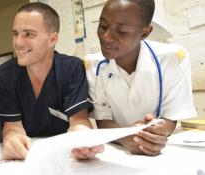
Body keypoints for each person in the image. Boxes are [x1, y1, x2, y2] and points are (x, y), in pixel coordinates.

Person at [84, 0, 197, 156]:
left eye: (122, 31)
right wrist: (126, 137)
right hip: (117, 150)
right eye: (103, 26)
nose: (106, 37)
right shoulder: (92, 65)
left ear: (145, 33)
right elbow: (102, 120)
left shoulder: (174, 58)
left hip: (163, 151)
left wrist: (156, 132)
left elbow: (171, 118)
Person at [0, 2, 104, 160]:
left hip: (64, 155)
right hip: (28, 157)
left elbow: (79, 121)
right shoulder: (3, 76)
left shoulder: (72, 69)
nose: (18, 42)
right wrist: (11, 139)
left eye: (28, 34)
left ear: (52, 39)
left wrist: (82, 140)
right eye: (15, 33)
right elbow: (12, 127)